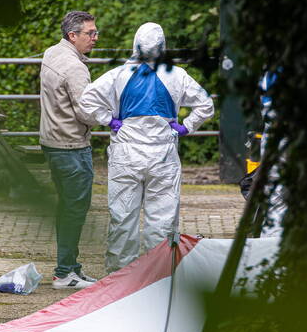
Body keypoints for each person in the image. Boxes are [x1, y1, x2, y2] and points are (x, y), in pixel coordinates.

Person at [80, 22, 215, 273]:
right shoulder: (177, 75)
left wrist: (109, 120)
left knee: (122, 218)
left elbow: (86, 100)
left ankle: (119, 279)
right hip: (162, 154)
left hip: (126, 153)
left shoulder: (118, 74)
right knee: (162, 220)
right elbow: (206, 105)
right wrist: (186, 126)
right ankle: (159, 277)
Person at [39, 11, 100, 289]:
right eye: (90, 33)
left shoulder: (52, 53)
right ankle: (65, 272)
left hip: (52, 142)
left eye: (95, 32)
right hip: (72, 146)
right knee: (75, 209)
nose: (95, 38)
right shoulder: (75, 68)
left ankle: (70, 267)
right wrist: (110, 115)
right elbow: (87, 112)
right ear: (72, 35)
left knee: (67, 206)